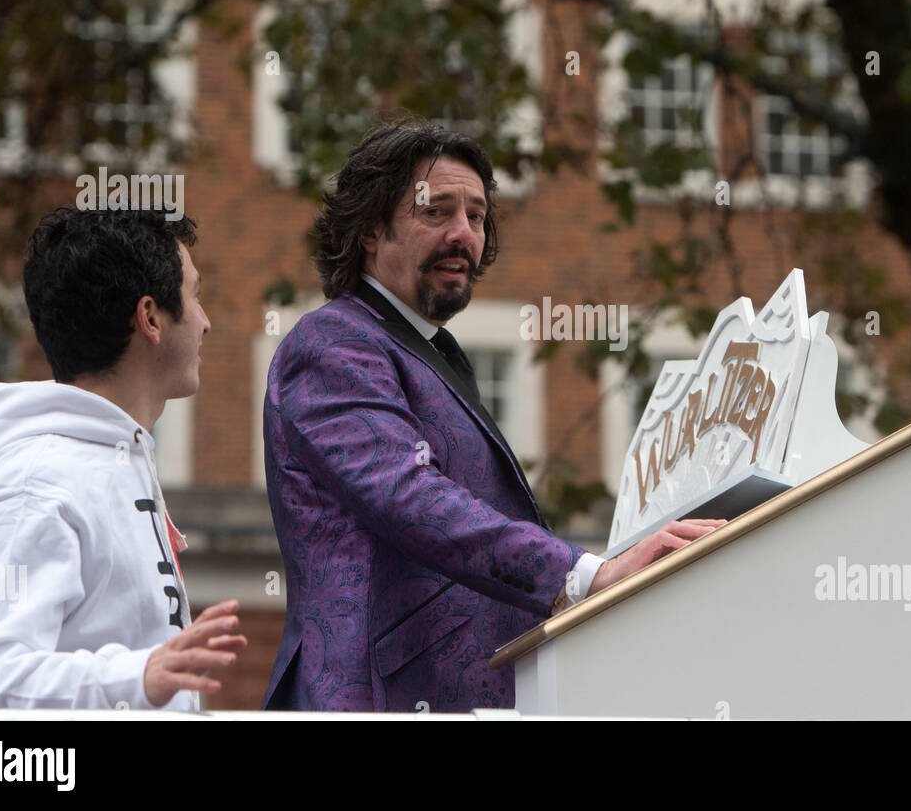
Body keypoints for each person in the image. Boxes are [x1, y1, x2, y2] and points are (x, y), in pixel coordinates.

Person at [262, 120, 721, 712]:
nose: (464, 235)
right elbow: (407, 496)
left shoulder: (423, 348)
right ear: (371, 231)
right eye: (437, 212)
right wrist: (583, 575)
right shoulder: (331, 343)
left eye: (477, 217)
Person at [0, 205, 247, 711]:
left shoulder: (105, 459)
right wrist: (136, 676)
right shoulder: (36, 483)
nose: (206, 323)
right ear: (149, 317)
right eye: (195, 295)